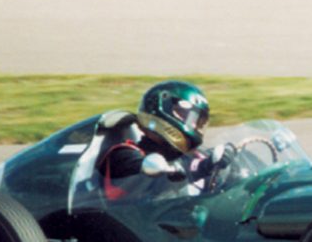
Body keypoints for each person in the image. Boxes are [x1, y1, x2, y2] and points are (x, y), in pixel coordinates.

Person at [97, 80, 231, 200]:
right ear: (162, 110)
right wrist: (204, 166)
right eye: (188, 117)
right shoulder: (123, 155)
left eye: (198, 120)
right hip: (128, 223)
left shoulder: (185, 157)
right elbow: (158, 179)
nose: (195, 126)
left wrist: (229, 163)